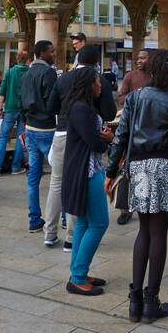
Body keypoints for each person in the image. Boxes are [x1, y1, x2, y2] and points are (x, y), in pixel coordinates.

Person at [105, 49, 168, 323]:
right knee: (159, 232)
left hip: (138, 168)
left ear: (149, 72)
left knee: (143, 231)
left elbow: (121, 135)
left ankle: (135, 300)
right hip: (164, 167)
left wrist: (111, 170)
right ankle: (152, 302)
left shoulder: (136, 98)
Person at [46, 44, 116, 252]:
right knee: (78, 182)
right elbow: (110, 113)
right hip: (84, 135)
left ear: (77, 59)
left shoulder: (63, 79)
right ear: (96, 63)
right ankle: (71, 237)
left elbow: (51, 107)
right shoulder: (97, 80)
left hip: (61, 133)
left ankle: (49, 233)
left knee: (57, 183)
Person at [62, 66, 114, 296]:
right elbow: (93, 143)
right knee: (100, 223)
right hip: (87, 172)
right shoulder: (81, 109)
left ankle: (79, 272)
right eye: (97, 81)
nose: (100, 85)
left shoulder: (82, 107)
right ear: (88, 84)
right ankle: (78, 277)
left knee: (83, 223)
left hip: (86, 169)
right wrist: (109, 140)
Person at [20, 40, 59, 236]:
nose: (54, 53)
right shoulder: (49, 73)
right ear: (43, 53)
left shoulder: (26, 74)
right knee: (60, 175)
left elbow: (21, 102)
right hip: (48, 129)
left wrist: (24, 127)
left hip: (31, 128)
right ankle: (63, 218)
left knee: (33, 177)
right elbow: (52, 101)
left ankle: (34, 219)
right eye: (52, 51)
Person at [114, 48, 151, 225]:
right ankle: (124, 209)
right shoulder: (130, 76)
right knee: (125, 170)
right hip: (131, 127)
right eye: (138, 58)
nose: (139, 60)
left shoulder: (155, 77)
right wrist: (138, 95)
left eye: (143, 58)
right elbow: (121, 98)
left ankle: (145, 205)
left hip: (149, 129)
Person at [0, 51, 29, 177]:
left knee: (3, 137)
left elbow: (1, 93)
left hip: (10, 108)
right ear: (27, 60)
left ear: (17, 59)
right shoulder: (30, 72)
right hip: (24, 110)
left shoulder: (10, 72)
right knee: (21, 137)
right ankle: (16, 167)